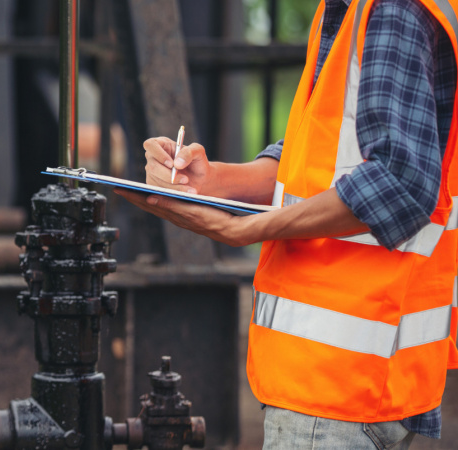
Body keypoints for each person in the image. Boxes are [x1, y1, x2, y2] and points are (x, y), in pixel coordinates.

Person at [116, 0, 458, 448]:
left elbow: (399, 182)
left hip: (339, 382)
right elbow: (319, 161)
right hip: (341, 379)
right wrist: (213, 180)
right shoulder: (354, 10)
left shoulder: (391, 8)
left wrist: (249, 230)